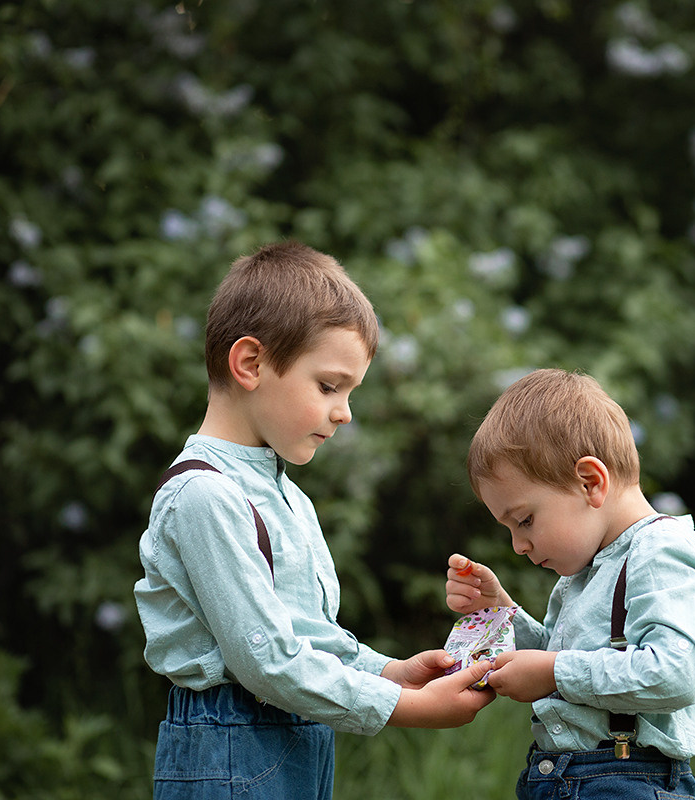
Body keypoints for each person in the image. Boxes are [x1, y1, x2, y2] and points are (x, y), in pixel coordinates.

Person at [133, 241, 495, 800]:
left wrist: (389, 672)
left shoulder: (290, 498)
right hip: (228, 745)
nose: (344, 411)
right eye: (329, 386)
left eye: (349, 392)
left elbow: (307, 635)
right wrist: (406, 707)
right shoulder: (203, 496)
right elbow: (267, 663)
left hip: (301, 737)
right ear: (250, 364)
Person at [443, 368, 695, 799]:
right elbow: (561, 658)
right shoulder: (586, 568)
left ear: (590, 482)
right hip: (564, 776)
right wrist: (499, 613)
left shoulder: (659, 552)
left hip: (622, 780)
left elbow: (677, 672)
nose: (518, 546)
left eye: (525, 520)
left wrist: (554, 673)